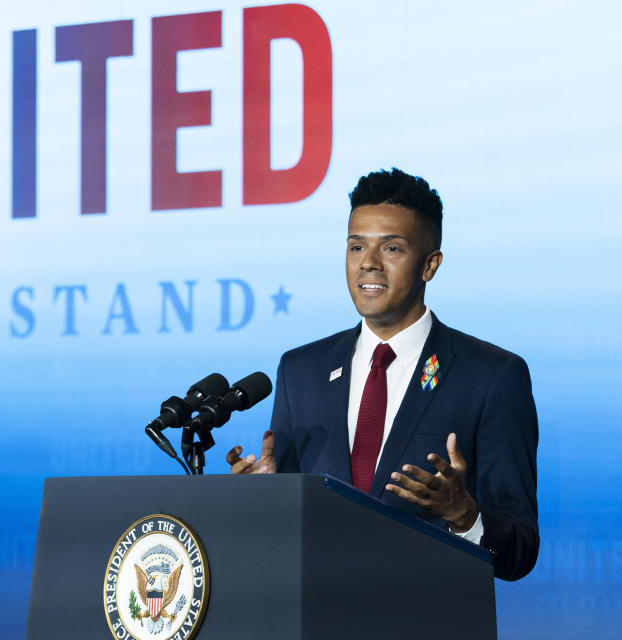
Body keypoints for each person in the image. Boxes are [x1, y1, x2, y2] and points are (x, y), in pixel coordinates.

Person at [226, 168, 538, 581]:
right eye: (356, 247)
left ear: (430, 265)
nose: (368, 264)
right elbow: (285, 534)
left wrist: (464, 514)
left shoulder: (492, 376)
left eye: (391, 248)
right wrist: (263, 500)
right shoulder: (301, 371)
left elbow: (520, 551)